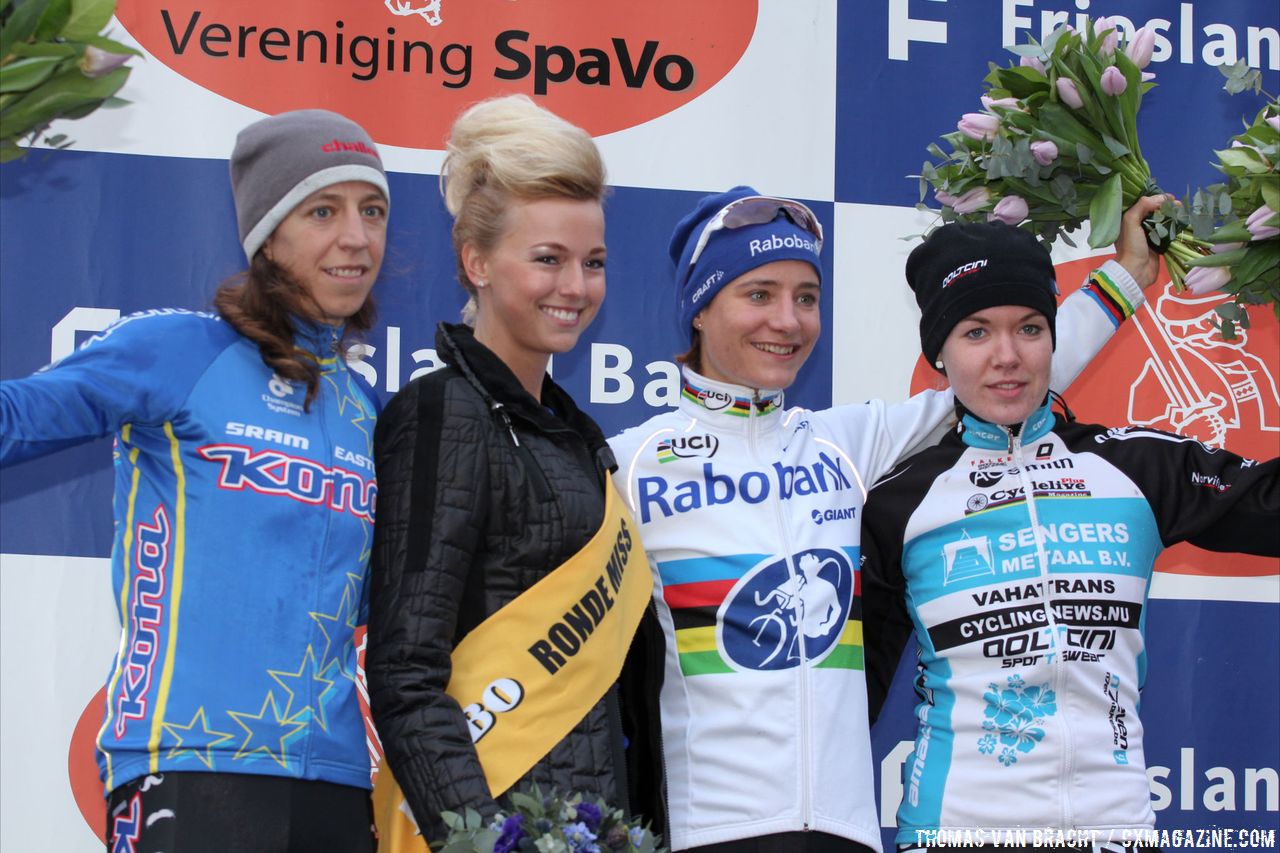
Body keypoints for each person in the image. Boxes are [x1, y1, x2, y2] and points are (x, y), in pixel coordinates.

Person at [607, 187, 1169, 852]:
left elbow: (1010, 372)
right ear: (699, 309)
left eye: (807, 297)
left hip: (848, 834)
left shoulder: (845, 444)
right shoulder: (629, 466)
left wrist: (1127, 277)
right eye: (758, 294)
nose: (787, 320)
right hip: (709, 832)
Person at [0, 109, 389, 850]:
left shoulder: (370, 410)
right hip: (187, 761)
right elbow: (16, 418)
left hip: (336, 778)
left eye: (372, 211)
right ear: (268, 234)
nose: (357, 237)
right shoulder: (181, 350)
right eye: (323, 210)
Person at [860, 221, 1279, 851]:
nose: (1008, 356)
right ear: (939, 352)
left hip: (1116, 830)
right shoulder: (900, 501)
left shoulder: (1134, 466)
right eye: (977, 332)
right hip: (954, 834)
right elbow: (844, 696)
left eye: (1030, 328)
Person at [365, 94, 663, 849]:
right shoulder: (443, 413)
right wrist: (486, 839)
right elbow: (405, 672)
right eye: (547, 259)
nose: (576, 285)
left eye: (593, 262)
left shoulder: (576, 438)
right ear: (476, 261)